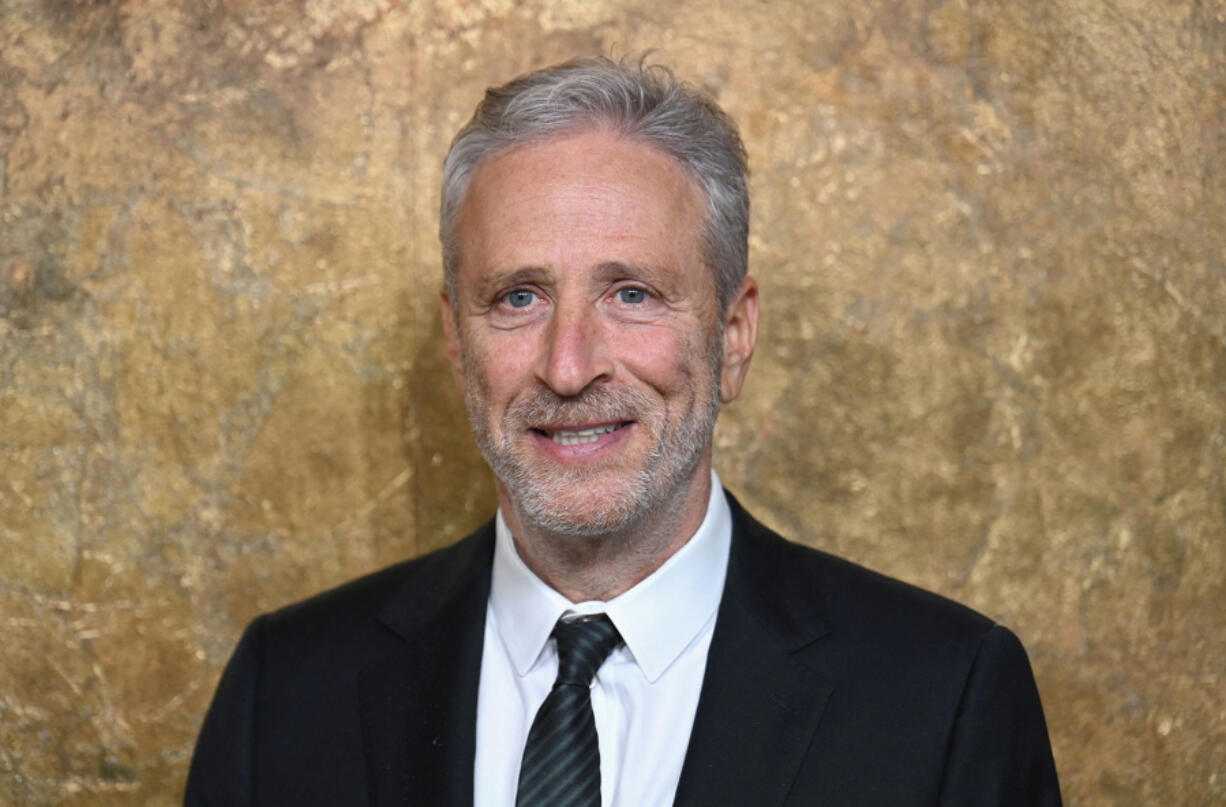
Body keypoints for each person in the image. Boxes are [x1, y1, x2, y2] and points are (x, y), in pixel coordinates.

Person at [184, 55, 1062, 807]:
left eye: (632, 294)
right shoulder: (287, 692)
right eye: (517, 297)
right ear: (457, 340)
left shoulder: (943, 697)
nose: (569, 367)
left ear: (734, 333)